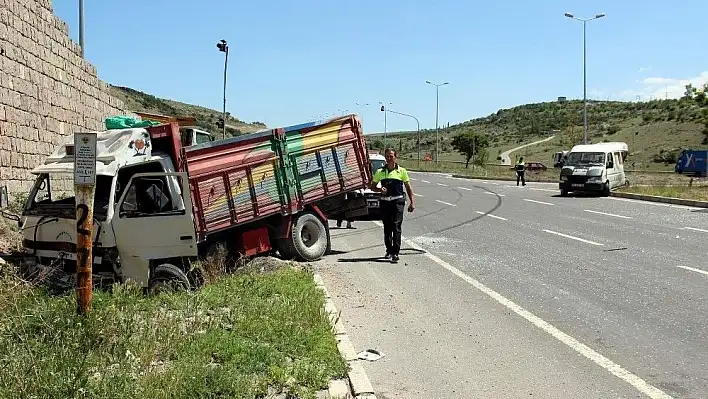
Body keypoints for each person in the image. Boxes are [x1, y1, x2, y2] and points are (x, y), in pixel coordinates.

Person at [370, 148, 415, 263]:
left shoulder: (402, 171)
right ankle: (389, 250)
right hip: (385, 202)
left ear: (395, 157)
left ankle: (395, 252)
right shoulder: (380, 171)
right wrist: (380, 189)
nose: (389, 158)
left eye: (391, 156)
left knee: (396, 226)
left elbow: (408, 187)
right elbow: (372, 187)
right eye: (387, 156)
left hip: (397, 202)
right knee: (387, 227)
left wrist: (412, 202)